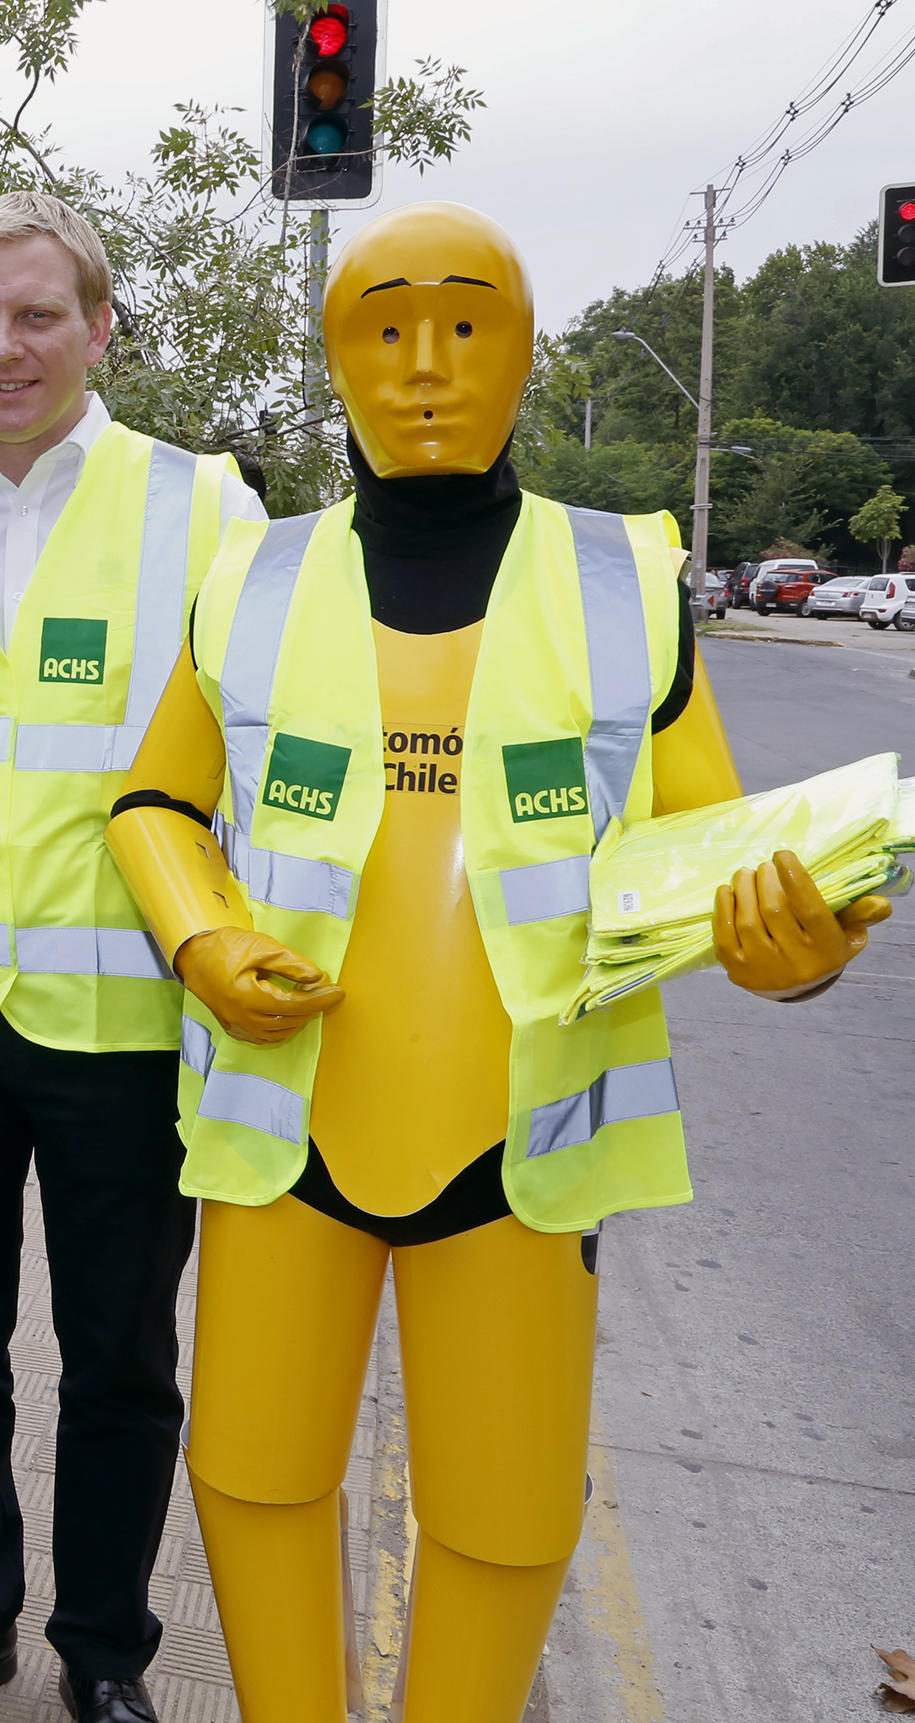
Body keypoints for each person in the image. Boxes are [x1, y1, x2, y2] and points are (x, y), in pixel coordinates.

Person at [104, 200, 885, 1722]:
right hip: (287, 1128)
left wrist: (804, 950)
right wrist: (198, 929)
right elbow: (152, 800)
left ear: (525, 352)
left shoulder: (623, 585)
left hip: (524, 1148)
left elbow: (729, 856)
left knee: (510, 1509)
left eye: (467, 327)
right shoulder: (248, 583)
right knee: (254, 1470)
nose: (425, 369)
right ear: (338, 362)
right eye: (384, 333)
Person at [0, 193, 265, 1723]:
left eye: (35, 315)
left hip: (130, 1022)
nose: (2, 347)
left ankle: (103, 1656)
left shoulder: (207, 509)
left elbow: (261, 779)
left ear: (99, 325)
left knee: (120, 1363)